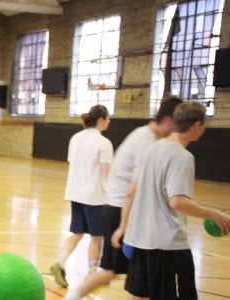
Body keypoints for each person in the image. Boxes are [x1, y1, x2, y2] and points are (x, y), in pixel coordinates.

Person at [63, 96, 183, 299]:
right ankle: (73, 296)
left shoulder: (145, 135)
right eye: (179, 125)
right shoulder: (146, 142)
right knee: (112, 271)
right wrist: (124, 226)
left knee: (140, 276)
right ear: (170, 120)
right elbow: (132, 190)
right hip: (121, 211)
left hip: (120, 209)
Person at [112, 101, 230, 299]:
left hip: (141, 240)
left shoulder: (153, 148)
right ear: (197, 125)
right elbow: (177, 202)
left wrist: (124, 226)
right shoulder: (182, 156)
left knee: (138, 296)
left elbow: (133, 190)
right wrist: (214, 214)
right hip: (167, 245)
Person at [51, 104, 113, 288]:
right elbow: (106, 172)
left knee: (77, 232)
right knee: (96, 237)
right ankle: (92, 274)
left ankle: (60, 263)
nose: (109, 122)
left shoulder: (76, 138)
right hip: (95, 196)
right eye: (108, 118)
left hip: (75, 193)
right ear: (101, 119)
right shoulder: (104, 143)